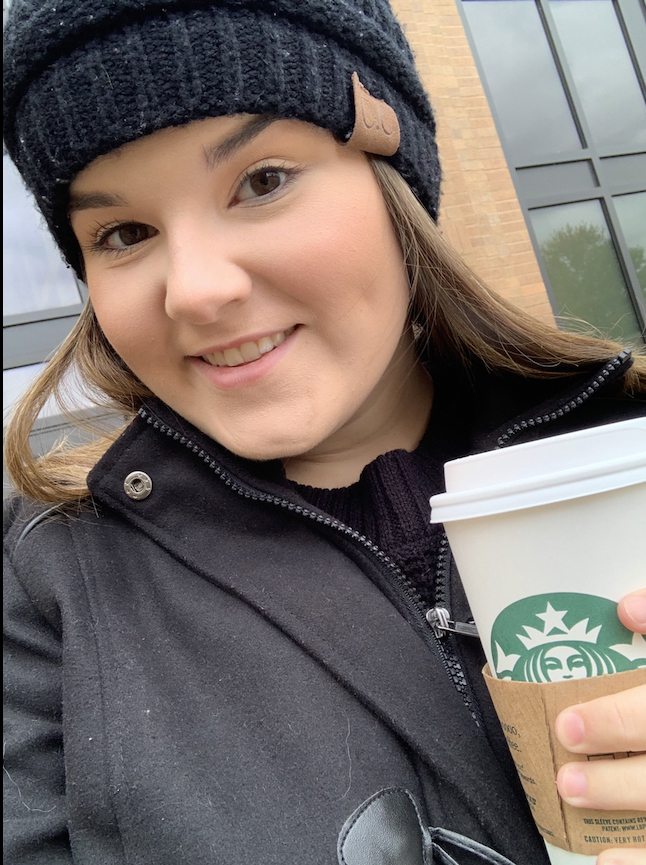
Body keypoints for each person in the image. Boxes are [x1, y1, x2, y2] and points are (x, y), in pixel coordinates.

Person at [3, 1, 645, 863]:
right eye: (124, 233)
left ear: (394, 182)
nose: (195, 289)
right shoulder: (45, 588)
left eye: (263, 180)